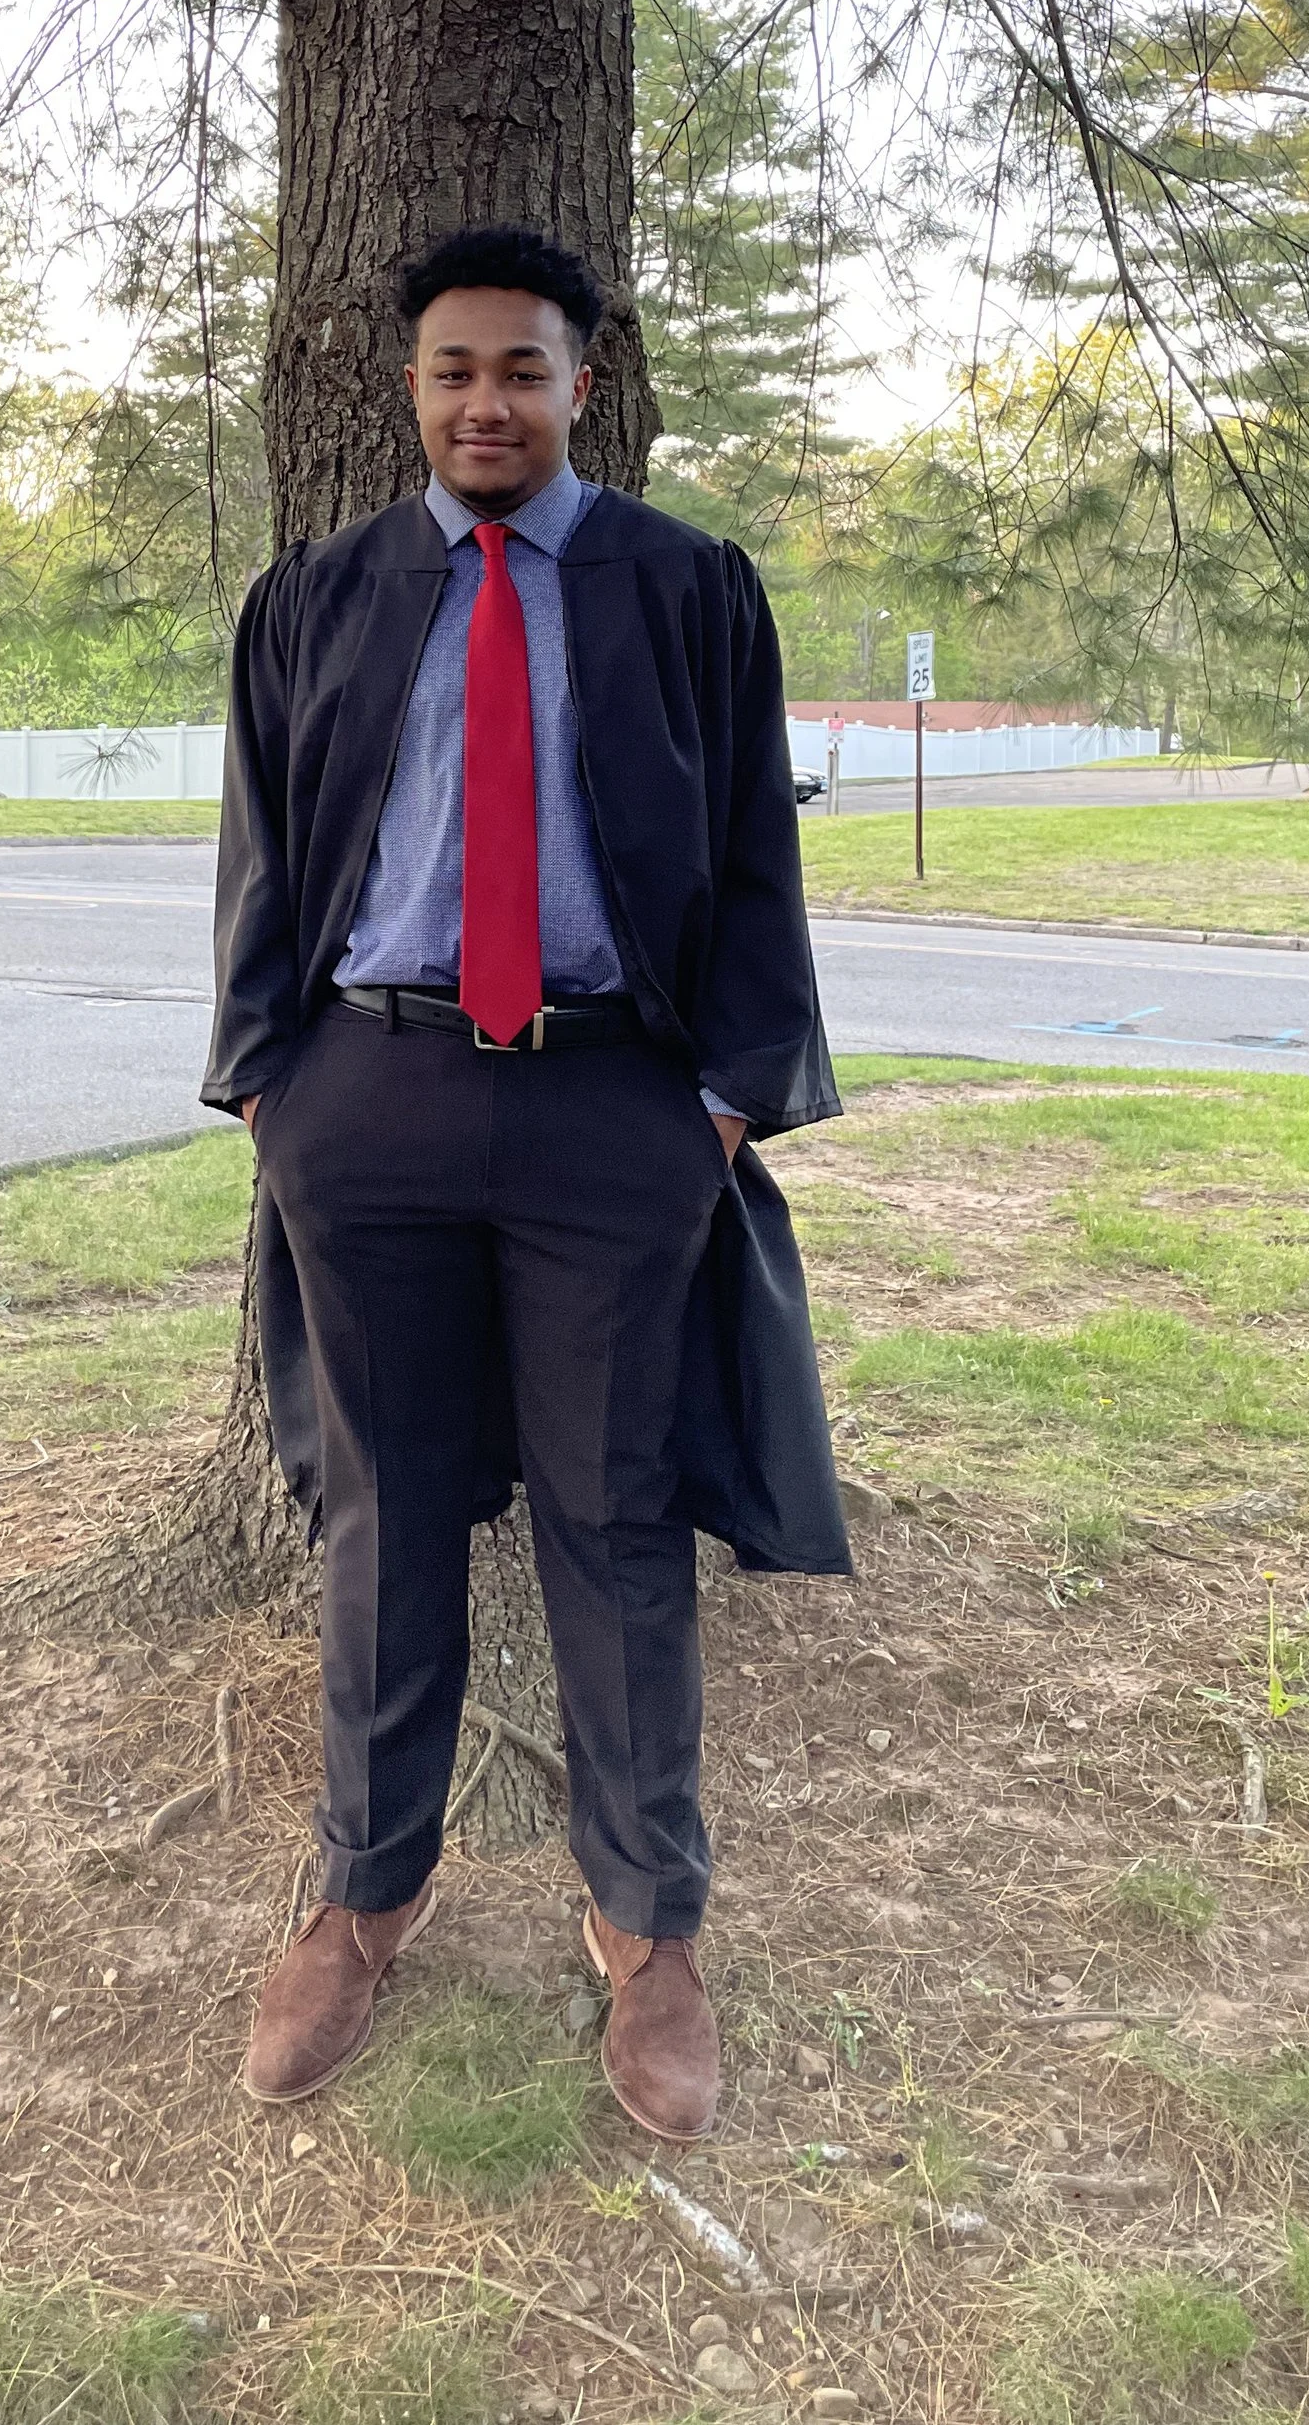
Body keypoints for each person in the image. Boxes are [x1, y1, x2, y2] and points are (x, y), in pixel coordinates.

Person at [202, 222, 848, 2142]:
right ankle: (363, 1896)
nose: (490, 402)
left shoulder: (685, 591)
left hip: (611, 1113)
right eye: (456, 371)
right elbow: (258, 844)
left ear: (584, 386)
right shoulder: (315, 598)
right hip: (370, 1095)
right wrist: (266, 1084)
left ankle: (650, 1931)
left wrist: (724, 1100)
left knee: (617, 1513)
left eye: (527, 371)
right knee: (385, 1522)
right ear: (412, 392)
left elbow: (749, 860)